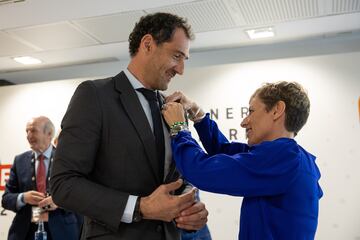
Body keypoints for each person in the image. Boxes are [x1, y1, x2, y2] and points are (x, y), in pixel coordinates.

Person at [50, 12, 208, 240]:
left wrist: (190, 208)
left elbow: (180, 176)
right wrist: (140, 206)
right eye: (176, 56)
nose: (181, 69)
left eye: (185, 59)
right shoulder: (94, 96)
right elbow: (64, 185)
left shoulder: (172, 108)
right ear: (147, 44)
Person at [162, 81, 323, 239]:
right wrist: (198, 115)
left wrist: (178, 127)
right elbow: (223, 151)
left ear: (277, 110)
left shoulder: (284, 158)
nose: (244, 122)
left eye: (251, 111)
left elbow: (200, 171)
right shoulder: (293, 159)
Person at [1, 116, 82, 240]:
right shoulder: (19, 161)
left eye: (33, 131)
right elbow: (6, 199)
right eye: (26, 131)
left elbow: (81, 196)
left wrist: (59, 201)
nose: (28, 136)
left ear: (49, 134)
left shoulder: (68, 160)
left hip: (62, 232)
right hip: (25, 232)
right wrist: (23, 198)